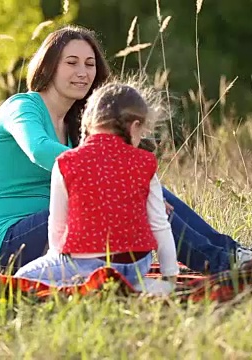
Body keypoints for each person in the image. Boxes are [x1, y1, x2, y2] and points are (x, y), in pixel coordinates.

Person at [0, 25, 252, 275]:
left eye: (89, 63)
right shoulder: (21, 107)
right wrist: (117, 172)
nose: (83, 72)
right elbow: (39, 151)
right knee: (135, 192)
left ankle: (235, 253)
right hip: (5, 244)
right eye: (71, 62)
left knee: (145, 192)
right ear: (49, 66)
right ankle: (226, 263)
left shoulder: (76, 124)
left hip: (54, 231)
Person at [13, 82, 179, 287]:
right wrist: (170, 276)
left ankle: (79, 286)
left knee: (21, 278)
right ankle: (139, 286)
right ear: (134, 126)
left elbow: (57, 227)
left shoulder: (67, 162)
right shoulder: (145, 163)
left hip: (85, 263)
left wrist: (57, 259)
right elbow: (160, 225)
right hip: (137, 264)